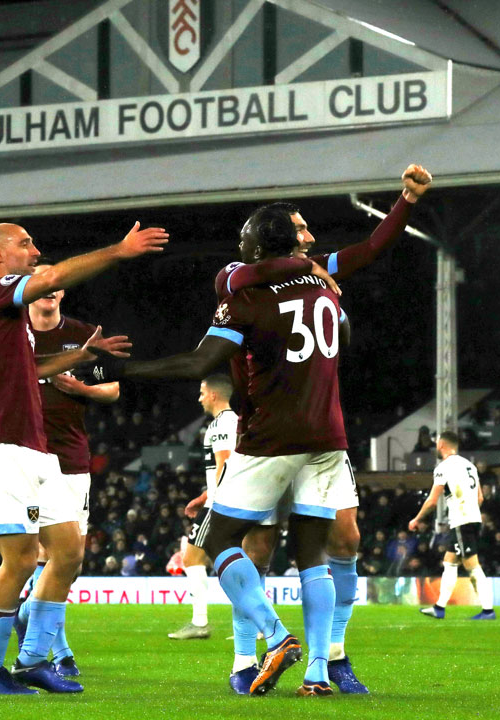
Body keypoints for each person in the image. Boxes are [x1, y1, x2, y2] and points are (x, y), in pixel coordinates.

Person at [81, 177, 428, 695]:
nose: (311, 237)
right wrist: (405, 205)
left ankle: (276, 636)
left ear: (257, 246)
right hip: (327, 436)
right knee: (310, 554)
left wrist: (123, 371)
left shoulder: (246, 296)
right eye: (302, 230)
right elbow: (370, 254)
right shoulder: (321, 282)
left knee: (218, 540)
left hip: (269, 435)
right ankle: (310, 673)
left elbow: (200, 359)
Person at [206, 164, 433, 694]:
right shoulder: (242, 281)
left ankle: (331, 657)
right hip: (263, 434)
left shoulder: (310, 271)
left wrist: (406, 200)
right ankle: (246, 658)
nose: (311, 237)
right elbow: (238, 280)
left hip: (316, 431)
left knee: (345, 538)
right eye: (301, 229)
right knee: (257, 547)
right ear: (277, 239)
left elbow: (371, 247)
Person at [0, 219, 167, 696]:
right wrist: (118, 250)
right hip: (1, 446)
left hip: (38, 451)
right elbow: (53, 278)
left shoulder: (7, 318)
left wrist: (82, 355)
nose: (34, 250)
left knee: (70, 551)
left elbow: (32, 369)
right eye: (24, 243)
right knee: (19, 561)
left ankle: (34, 659)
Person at [18, 271, 121, 677]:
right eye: (40, 286)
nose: (49, 292)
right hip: (23, 453)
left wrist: (80, 390)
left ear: (60, 291)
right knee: (40, 554)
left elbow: (113, 388)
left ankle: (26, 615)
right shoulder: (11, 333)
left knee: (70, 560)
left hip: (72, 457)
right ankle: (52, 653)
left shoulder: (83, 334)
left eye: (54, 285)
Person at [169, 374, 237, 640]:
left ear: (213, 395)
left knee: (192, 558)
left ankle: (200, 624)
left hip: (222, 503)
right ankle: (255, 626)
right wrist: (203, 496)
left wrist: (214, 501)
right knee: (234, 563)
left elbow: (225, 465)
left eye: (201, 392)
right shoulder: (232, 422)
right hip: (223, 499)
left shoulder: (222, 424)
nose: (199, 398)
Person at [408, 431, 495, 621]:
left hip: (461, 521)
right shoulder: (470, 465)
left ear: (441, 445)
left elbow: (432, 500)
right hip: (470, 519)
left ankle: (488, 611)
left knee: (472, 565)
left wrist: (416, 519)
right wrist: (470, 512)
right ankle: (439, 608)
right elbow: (480, 497)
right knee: (449, 561)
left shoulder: (444, 467)